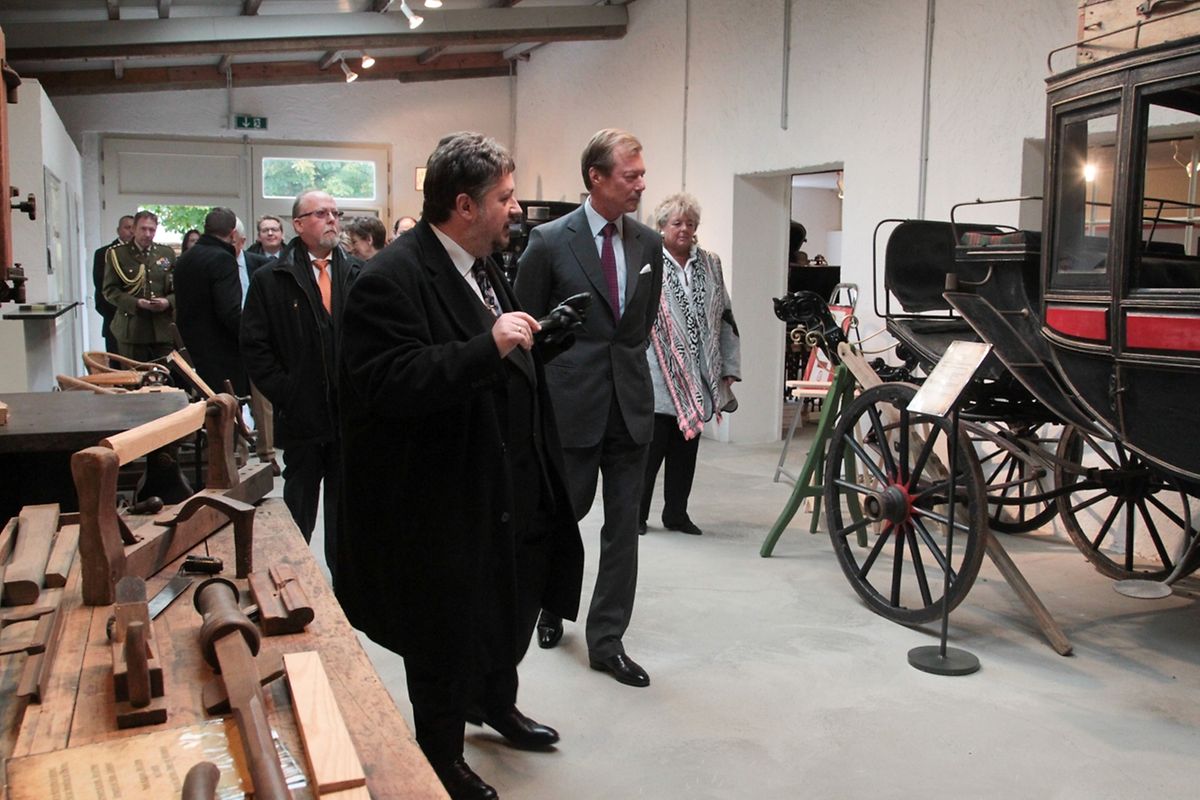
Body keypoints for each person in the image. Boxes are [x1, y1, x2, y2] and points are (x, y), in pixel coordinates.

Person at [339, 132, 584, 800]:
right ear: (464, 205)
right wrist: (488, 348)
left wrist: (541, 342)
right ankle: (440, 751)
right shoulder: (391, 277)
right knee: (445, 624)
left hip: (507, 476)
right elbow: (388, 381)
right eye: (504, 198)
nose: (516, 209)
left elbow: (493, 353)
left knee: (509, 598)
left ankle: (495, 704)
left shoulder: (484, 262)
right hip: (442, 492)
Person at [514, 128, 663, 688]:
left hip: (630, 407)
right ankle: (553, 604)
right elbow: (526, 325)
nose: (640, 185)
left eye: (642, 175)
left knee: (624, 529)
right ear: (595, 178)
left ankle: (607, 641)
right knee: (564, 516)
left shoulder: (647, 244)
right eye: (630, 176)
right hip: (569, 406)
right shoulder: (550, 241)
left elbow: (639, 327)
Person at [241, 190, 361, 579]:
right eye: (321, 213)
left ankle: (343, 582)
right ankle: (290, 576)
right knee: (300, 501)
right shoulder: (271, 278)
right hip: (302, 415)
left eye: (335, 213)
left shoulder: (357, 273)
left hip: (349, 416)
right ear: (298, 224)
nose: (332, 220)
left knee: (346, 510)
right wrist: (287, 391)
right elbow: (255, 347)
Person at [639, 193, 741, 537]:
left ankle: (676, 514)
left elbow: (725, 316)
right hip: (657, 370)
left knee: (686, 452)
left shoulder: (710, 263)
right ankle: (636, 516)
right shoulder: (648, 260)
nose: (684, 229)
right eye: (676, 223)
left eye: (690, 223)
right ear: (662, 227)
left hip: (698, 371)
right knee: (651, 451)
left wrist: (728, 364)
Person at [172, 207, 247, 395]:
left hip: (192, 344)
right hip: (221, 349)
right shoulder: (223, 259)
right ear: (233, 233)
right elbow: (229, 311)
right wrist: (250, 335)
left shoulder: (185, 258)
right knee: (226, 408)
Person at [102, 210, 177, 361]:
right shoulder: (118, 254)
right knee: (135, 378)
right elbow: (110, 290)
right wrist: (136, 303)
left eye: (152, 230)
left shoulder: (166, 253)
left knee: (165, 377)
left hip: (162, 329)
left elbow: (178, 289)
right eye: (143, 229)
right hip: (132, 328)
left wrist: (168, 301)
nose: (148, 234)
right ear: (134, 229)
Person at [92, 214, 134, 357]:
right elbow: (101, 288)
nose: (131, 231)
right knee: (116, 364)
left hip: (139, 323)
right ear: (118, 230)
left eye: (134, 228)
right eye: (127, 227)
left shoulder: (143, 253)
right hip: (114, 318)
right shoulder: (104, 253)